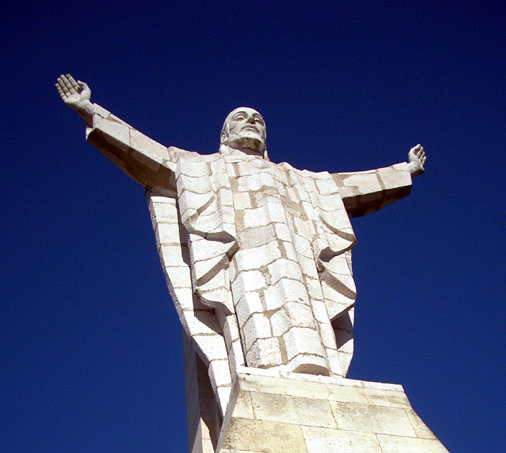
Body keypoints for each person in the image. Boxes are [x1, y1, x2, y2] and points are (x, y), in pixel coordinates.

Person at [57, 74, 426, 413]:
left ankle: (316, 367)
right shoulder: (201, 167)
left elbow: (351, 186)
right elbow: (149, 155)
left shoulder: (299, 178)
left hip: (299, 262)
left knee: (305, 307)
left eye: (258, 119)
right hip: (241, 258)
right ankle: (263, 368)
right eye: (241, 118)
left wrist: (402, 172)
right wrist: (91, 111)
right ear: (224, 135)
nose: (252, 121)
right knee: (250, 313)